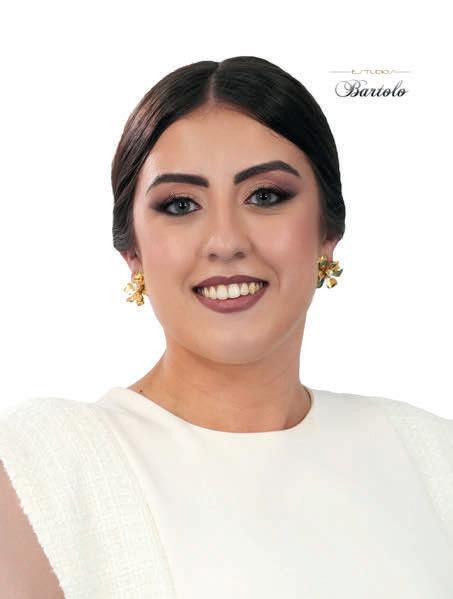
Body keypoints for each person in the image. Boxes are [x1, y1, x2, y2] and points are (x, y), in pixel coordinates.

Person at [1, 56, 452, 598]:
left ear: (327, 234)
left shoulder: (431, 456)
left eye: (265, 196)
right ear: (133, 252)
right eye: (180, 204)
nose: (225, 241)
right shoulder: (45, 469)